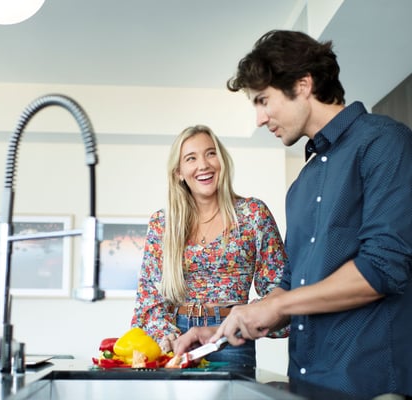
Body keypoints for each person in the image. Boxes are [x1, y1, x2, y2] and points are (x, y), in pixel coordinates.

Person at [173, 30, 412, 399]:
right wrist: (224, 329)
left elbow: (382, 268)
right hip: (307, 382)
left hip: (369, 383)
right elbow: (290, 282)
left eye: (263, 100)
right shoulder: (303, 183)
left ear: (303, 85)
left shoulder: (383, 143)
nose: (258, 118)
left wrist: (277, 305)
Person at [130, 124, 287, 367]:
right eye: (191, 158)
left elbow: (279, 287)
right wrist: (166, 337)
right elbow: (149, 297)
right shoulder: (163, 223)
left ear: (222, 161)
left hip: (230, 337)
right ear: (179, 173)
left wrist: (245, 320)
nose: (203, 165)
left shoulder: (253, 213)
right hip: (178, 338)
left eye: (210, 153)